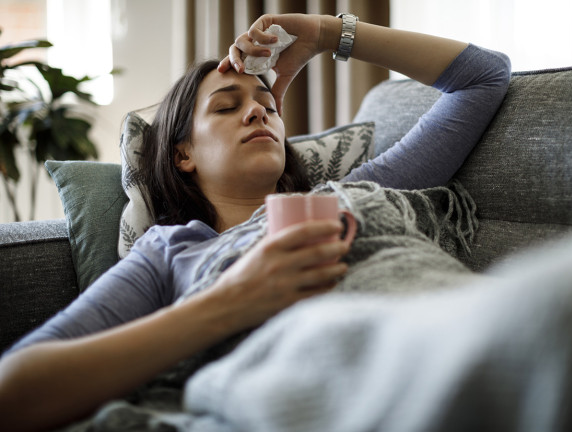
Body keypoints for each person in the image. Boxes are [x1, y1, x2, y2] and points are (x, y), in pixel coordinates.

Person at [0, 13, 510, 431]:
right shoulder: (171, 250)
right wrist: (230, 300)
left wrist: (323, 34)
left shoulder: (353, 192)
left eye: (268, 105)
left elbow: (483, 78)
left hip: (453, 347)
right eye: (227, 107)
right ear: (183, 154)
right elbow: (15, 389)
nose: (257, 114)